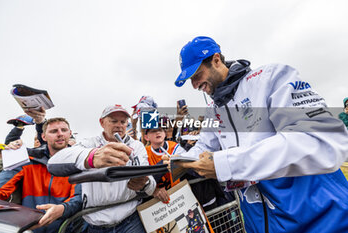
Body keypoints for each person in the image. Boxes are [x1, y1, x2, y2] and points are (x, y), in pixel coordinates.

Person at [169, 36, 348, 233]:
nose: (194, 85)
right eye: (190, 80)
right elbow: (203, 147)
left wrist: (226, 164)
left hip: (320, 219)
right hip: (262, 223)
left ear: (216, 60)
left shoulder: (270, 78)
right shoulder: (213, 109)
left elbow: (322, 140)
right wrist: (173, 162)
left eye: (196, 75)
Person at [47, 105, 156, 233]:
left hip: (130, 221)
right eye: (113, 121)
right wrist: (91, 157)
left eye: (123, 122)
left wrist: (144, 184)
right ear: (102, 122)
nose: (119, 125)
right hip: (96, 224)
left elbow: (150, 184)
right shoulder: (88, 144)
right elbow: (54, 162)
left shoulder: (136, 146)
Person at [0, 117, 82, 233]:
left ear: (70, 133)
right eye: (53, 131)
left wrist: (62, 209)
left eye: (64, 130)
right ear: (43, 137)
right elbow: (1, 186)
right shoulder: (27, 159)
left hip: (65, 228)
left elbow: (79, 198)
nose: (60, 134)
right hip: (29, 227)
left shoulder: (79, 163)